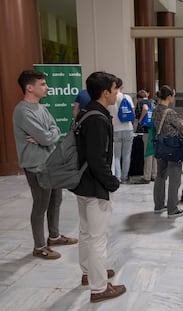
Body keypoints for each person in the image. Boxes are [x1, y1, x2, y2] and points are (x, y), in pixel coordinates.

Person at [72, 71, 126, 303]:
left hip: (82, 184)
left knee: (86, 232)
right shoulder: (98, 118)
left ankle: (89, 272)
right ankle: (99, 288)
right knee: (97, 237)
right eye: (115, 89)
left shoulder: (86, 111)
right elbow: (97, 158)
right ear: (106, 92)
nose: (118, 93)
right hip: (95, 186)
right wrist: (111, 183)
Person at [12, 70, 78, 260]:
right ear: (29, 87)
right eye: (42, 84)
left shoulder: (42, 108)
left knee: (56, 201)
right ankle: (39, 246)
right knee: (40, 205)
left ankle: (54, 236)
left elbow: (55, 130)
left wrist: (47, 137)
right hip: (36, 166)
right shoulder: (22, 111)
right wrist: (47, 137)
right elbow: (45, 136)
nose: (47, 87)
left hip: (50, 163)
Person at [152, 85, 183, 218]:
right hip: (172, 147)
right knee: (175, 179)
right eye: (173, 95)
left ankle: (158, 205)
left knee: (160, 176)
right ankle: (172, 209)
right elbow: (182, 130)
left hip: (160, 146)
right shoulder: (170, 112)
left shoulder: (156, 110)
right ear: (169, 97)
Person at [107, 78, 134, 183]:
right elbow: (132, 112)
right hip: (128, 128)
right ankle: (124, 177)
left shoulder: (110, 98)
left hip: (115, 129)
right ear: (121, 86)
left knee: (116, 155)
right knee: (127, 154)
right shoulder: (126, 97)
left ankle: (117, 177)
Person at [136, 89, 157, 184]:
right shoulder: (152, 102)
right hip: (153, 129)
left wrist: (140, 120)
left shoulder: (143, 102)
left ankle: (147, 176)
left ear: (138, 98)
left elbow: (144, 108)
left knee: (147, 153)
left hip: (147, 130)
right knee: (153, 153)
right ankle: (154, 174)